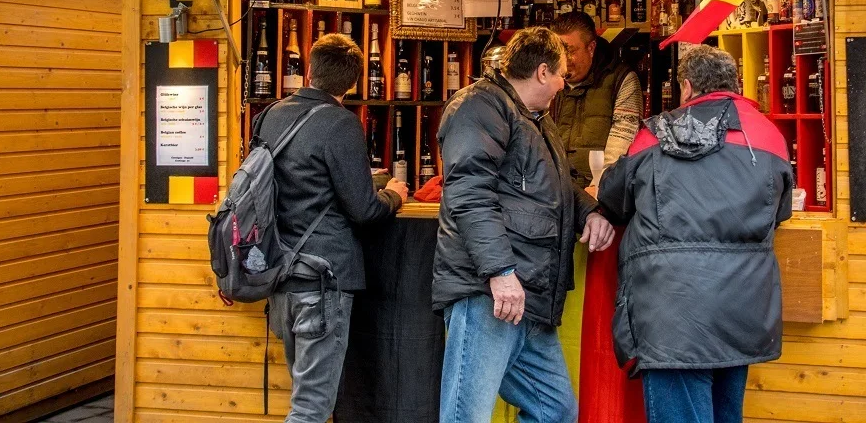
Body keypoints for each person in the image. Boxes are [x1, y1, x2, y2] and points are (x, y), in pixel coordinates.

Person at [595, 45, 794, 423]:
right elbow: (779, 212)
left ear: (686, 88)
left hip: (670, 311)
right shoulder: (768, 134)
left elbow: (613, 196)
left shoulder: (653, 135)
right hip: (743, 307)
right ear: (735, 84)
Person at [432, 27, 616, 423]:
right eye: (563, 74)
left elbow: (558, 182)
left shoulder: (535, 118)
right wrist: (500, 271)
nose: (565, 84)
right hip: (490, 293)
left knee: (555, 411)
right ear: (543, 72)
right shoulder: (478, 107)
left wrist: (590, 212)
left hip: (528, 294)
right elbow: (469, 195)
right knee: (468, 416)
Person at [258, 33, 408, 423]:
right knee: (311, 408)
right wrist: (394, 195)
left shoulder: (270, 115)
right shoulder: (341, 124)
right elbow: (364, 210)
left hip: (281, 278)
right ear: (354, 82)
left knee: (304, 394)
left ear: (308, 71)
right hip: (322, 280)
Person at [550, 11, 643, 188]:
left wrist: (599, 189)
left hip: (598, 194)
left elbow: (621, 143)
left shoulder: (622, 80)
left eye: (570, 50)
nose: (563, 59)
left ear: (591, 48)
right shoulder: (546, 79)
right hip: (554, 192)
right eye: (557, 51)